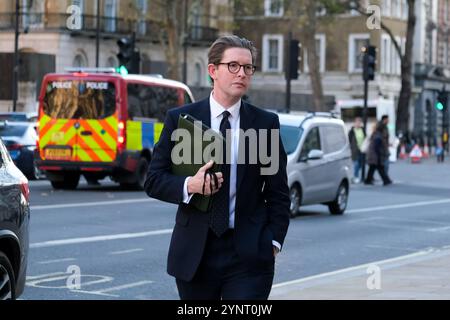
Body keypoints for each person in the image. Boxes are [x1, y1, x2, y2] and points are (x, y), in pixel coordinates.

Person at [144, 35, 290, 300]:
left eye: (248, 68)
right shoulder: (180, 120)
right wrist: (190, 185)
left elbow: (278, 191)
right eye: (233, 66)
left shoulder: (265, 123)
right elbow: (153, 180)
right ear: (213, 70)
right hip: (196, 254)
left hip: (249, 255)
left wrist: (273, 242)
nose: (242, 73)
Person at [348, 117, 365, 183]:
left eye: (359, 122)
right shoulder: (352, 131)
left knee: (361, 163)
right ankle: (356, 176)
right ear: (354, 123)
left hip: (362, 149)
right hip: (355, 150)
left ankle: (355, 175)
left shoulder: (362, 130)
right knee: (356, 163)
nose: (358, 124)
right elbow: (349, 140)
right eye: (357, 122)